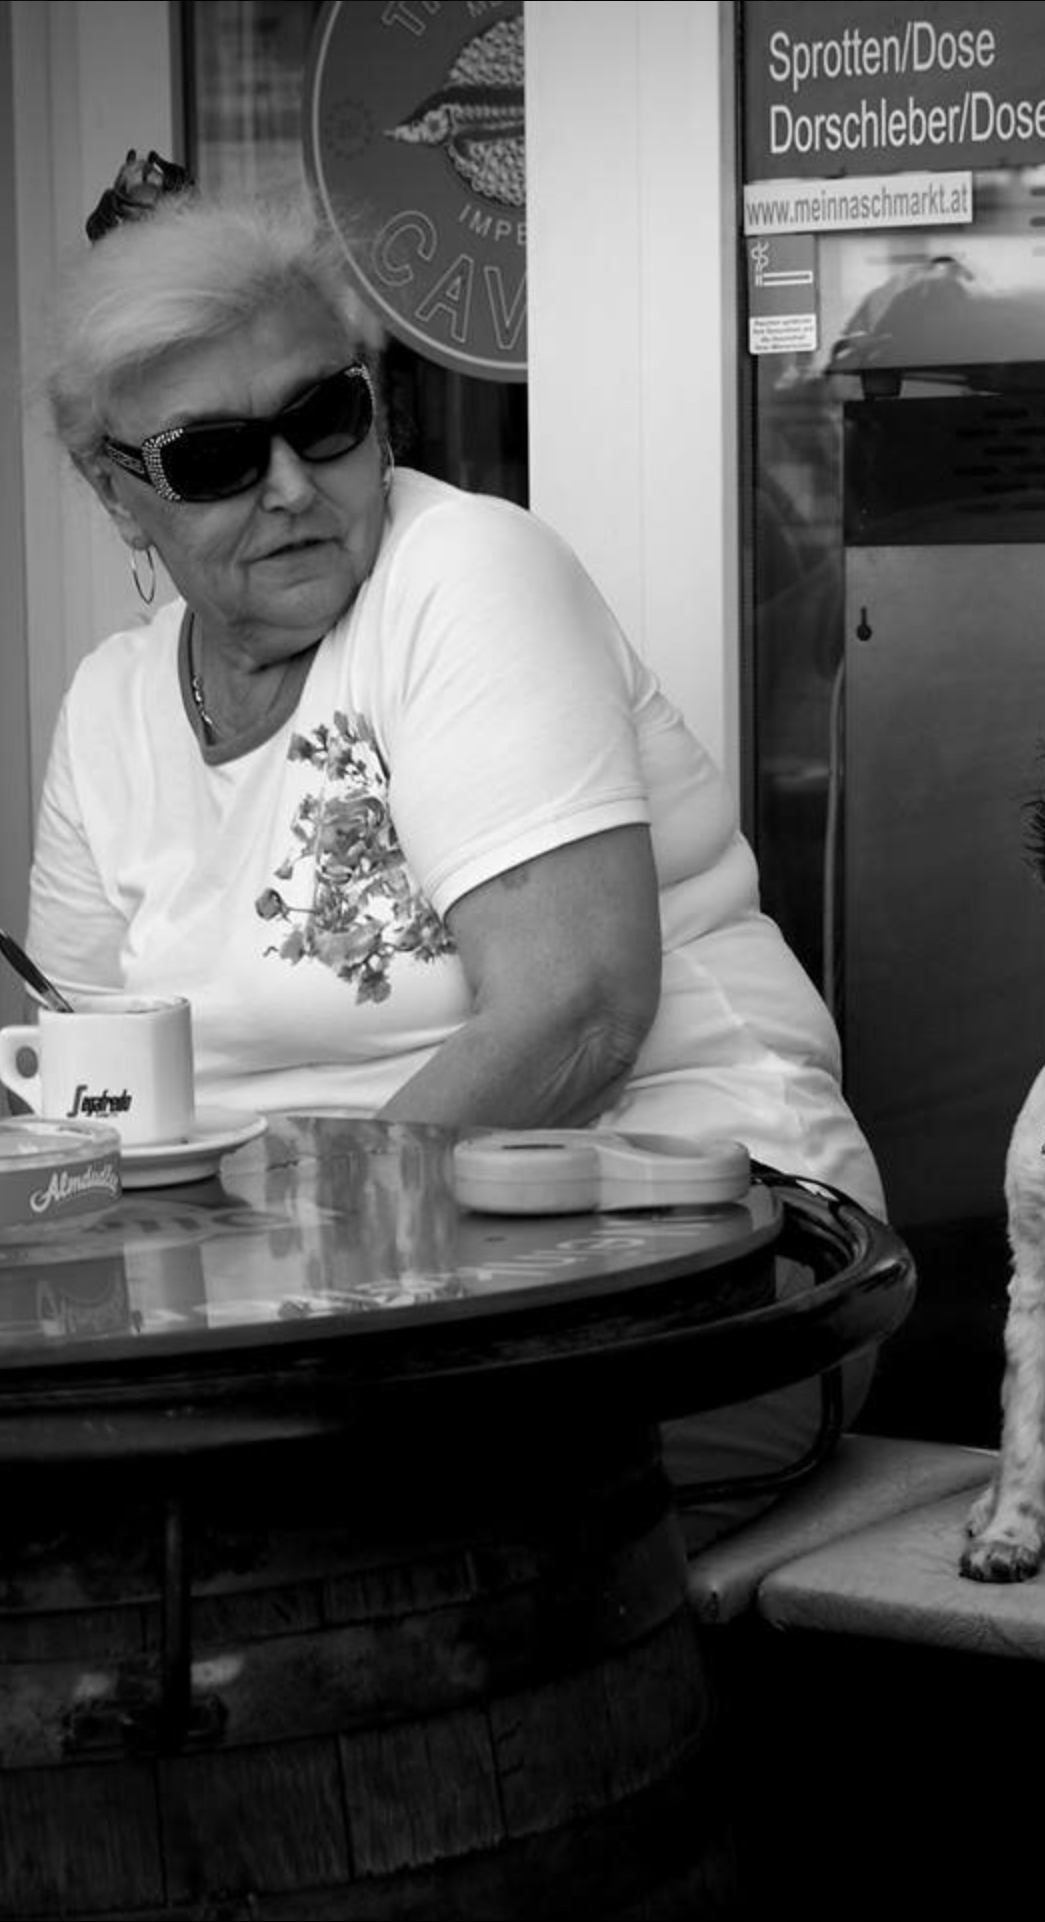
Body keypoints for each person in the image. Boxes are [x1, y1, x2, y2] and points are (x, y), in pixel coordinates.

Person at [28, 155, 886, 1550]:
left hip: (680, 1276)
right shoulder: (110, 708)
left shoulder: (462, 573)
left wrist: (270, 1276)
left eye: (325, 418)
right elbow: (85, 1117)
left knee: (258, 1551)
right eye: (214, 459)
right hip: (315, 1336)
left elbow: (576, 1014)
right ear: (119, 494)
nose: (292, 486)